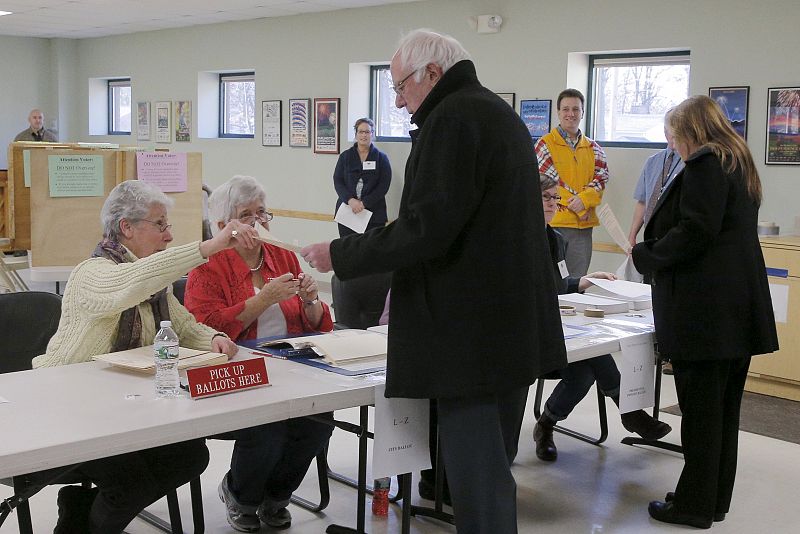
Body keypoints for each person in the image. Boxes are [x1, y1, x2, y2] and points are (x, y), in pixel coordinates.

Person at [302, 29, 566, 533]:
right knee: (491, 472)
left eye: (401, 86)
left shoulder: (454, 119)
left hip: (470, 335)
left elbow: (427, 228)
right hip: (506, 326)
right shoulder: (492, 112)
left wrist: (341, 253)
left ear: (433, 74)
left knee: (478, 478)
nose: (398, 101)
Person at [33, 179, 244, 533]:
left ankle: (81, 507)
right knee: (132, 481)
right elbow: (132, 282)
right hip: (69, 411)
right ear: (125, 228)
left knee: (190, 456)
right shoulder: (93, 274)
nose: (168, 236)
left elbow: (182, 325)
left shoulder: (154, 282)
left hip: (124, 407)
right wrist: (208, 246)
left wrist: (215, 338)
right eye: (160, 225)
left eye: (168, 225)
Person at [632, 95, 779, 529]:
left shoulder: (705, 166)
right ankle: (713, 498)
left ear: (693, 132)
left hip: (706, 313)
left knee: (700, 415)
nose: (674, 147)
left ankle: (693, 506)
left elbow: (694, 231)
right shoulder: (739, 162)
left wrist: (648, 254)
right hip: (737, 310)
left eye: (675, 137)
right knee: (722, 412)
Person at [185, 175, 334, 532]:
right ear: (222, 225)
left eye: (262, 213)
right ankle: (242, 497)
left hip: (290, 365)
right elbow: (204, 330)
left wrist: (311, 299)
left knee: (319, 420)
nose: (259, 222)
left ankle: (277, 496)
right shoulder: (206, 266)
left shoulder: (281, 255)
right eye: (247, 215)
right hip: (235, 371)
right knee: (268, 425)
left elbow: (318, 326)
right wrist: (262, 300)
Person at [532, 176, 672, 462]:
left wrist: (584, 281)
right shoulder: (520, 240)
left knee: (584, 369)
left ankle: (546, 424)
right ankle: (628, 410)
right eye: (546, 198)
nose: (552, 204)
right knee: (593, 357)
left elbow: (557, 285)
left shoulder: (555, 239)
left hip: (561, 329)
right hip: (532, 334)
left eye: (554, 198)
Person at [535, 89, 609, 277]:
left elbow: (600, 180)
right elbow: (549, 183)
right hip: (552, 224)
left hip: (582, 230)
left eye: (576, 109)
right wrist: (580, 207)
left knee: (577, 283)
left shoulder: (594, 148)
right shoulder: (544, 145)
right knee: (550, 281)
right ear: (558, 112)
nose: (571, 114)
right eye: (566, 109)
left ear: (583, 112)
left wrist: (584, 201)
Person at [627, 109, 685, 249]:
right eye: (670, 130)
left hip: (674, 236)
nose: (673, 135)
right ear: (665, 131)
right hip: (651, 234)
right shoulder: (653, 162)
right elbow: (643, 201)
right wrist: (632, 235)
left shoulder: (688, 163)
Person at [333, 118, 392, 237]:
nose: (364, 135)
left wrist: (364, 203)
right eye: (360, 132)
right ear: (356, 134)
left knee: (371, 251)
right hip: (348, 212)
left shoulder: (381, 158)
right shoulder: (345, 156)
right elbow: (338, 180)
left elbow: (383, 186)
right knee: (348, 249)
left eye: (367, 132)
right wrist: (350, 200)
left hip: (374, 214)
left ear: (372, 134)